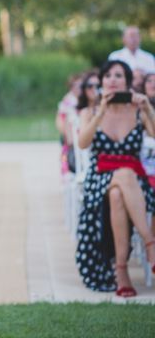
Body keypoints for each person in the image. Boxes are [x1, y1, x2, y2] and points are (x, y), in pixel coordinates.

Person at [76, 60, 155, 296]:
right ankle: (150, 243)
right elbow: (82, 143)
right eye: (108, 75)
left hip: (134, 182)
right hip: (99, 176)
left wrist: (148, 108)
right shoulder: (89, 112)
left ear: (128, 83)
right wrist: (101, 111)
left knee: (119, 192)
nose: (112, 79)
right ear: (101, 81)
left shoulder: (137, 110)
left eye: (118, 75)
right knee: (122, 176)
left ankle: (121, 271)